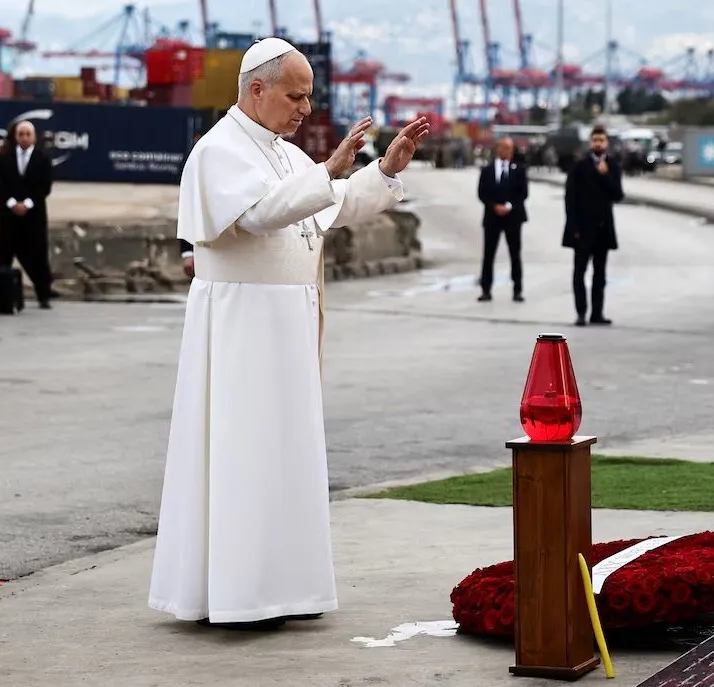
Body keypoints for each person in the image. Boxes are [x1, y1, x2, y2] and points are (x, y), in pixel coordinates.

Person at [148, 37, 429, 631]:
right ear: (256, 88)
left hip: (286, 327)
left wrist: (384, 171)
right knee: (243, 453)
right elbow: (256, 215)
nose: (305, 109)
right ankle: (237, 592)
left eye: (308, 97)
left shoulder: (280, 151)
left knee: (283, 454)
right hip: (243, 325)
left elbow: (332, 205)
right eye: (296, 96)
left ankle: (283, 587)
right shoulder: (218, 150)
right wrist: (327, 172)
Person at [563, 125, 624, 326]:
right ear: (591, 143)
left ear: (607, 143)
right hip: (583, 228)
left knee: (600, 273)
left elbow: (618, 195)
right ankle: (581, 312)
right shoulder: (580, 166)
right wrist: (573, 228)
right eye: (595, 140)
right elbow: (570, 199)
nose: (598, 143)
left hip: (603, 229)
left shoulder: (613, 165)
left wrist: (606, 175)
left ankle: (597, 313)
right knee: (579, 272)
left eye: (602, 140)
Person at [0, 120, 57, 308]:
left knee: (38, 255)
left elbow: (45, 186)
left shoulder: (42, 157)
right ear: (15, 136)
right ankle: (1, 296)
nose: (24, 138)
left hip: (34, 214)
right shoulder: (4, 157)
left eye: (28, 134)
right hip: (9, 214)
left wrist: (27, 204)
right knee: (4, 254)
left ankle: (43, 295)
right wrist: (12, 203)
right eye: (21, 134)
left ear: (34, 137)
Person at [476, 136, 528, 303]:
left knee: (515, 254)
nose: (508, 151)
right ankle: (486, 289)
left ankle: (517, 289)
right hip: (492, 217)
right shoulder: (487, 170)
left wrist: (509, 205)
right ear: (498, 149)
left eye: (510, 148)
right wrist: (494, 206)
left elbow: (523, 193)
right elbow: (482, 193)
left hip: (513, 217)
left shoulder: (519, 169)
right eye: (505, 148)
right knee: (489, 255)